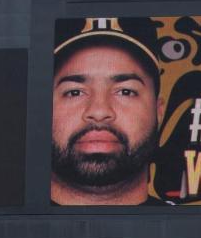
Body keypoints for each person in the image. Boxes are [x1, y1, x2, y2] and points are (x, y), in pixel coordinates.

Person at [52, 18, 161, 205]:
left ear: (159, 111)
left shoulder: (196, 231)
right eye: (74, 92)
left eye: (126, 92)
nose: (99, 111)